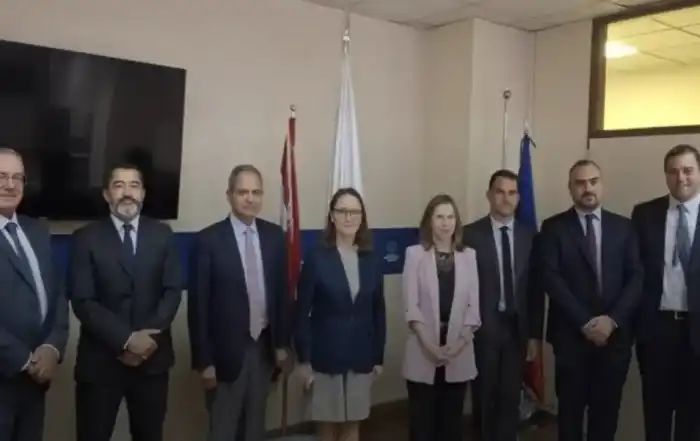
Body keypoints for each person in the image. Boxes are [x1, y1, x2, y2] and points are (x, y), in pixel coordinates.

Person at [68, 163, 182, 441]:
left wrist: (145, 342)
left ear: (143, 193)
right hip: (101, 362)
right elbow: (83, 300)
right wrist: (127, 339)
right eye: (118, 186)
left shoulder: (163, 234)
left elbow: (171, 291)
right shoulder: (85, 238)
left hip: (152, 361)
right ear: (106, 194)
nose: (127, 192)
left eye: (134, 185)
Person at [539, 159, 642, 441]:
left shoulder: (624, 227)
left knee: (605, 419)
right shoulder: (553, 227)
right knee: (569, 419)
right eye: (580, 183)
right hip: (571, 339)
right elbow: (551, 279)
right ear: (570, 188)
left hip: (614, 340)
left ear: (602, 184)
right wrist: (585, 322)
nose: (587, 188)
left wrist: (612, 321)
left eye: (593, 181)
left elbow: (636, 278)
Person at [188, 164, 290, 441]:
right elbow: (198, 307)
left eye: (256, 192)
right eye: (243, 192)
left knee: (254, 429)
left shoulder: (274, 237)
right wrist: (204, 362)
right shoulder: (208, 240)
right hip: (224, 356)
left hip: (264, 349)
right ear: (229, 195)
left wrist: (282, 344)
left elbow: (281, 294)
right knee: (223, 430)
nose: (250, 198)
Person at [295, 187, 386, 441]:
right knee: (327, 428)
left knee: (352, 427)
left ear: (362, 217)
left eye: (354, 212)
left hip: (361, 357)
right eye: (342, 211)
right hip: (325, 359)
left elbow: (378, 311)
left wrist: (378, 357)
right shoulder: (316, 258)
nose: (349, 217)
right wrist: (304, 361)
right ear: (332, 216)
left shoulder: (371, 259)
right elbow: (301, 313)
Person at [463, 170, 544, 441]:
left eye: (512, 193)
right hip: (482, 329)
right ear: (489, 195)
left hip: (517, 331)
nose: (506, 198)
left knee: (510, 398)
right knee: (485, 397)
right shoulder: (470, 235)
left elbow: (535, 289)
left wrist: (534, 335)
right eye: (500, 192)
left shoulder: (530, 236)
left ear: (519, 198)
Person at [632, 143, 700, 441]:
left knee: (692, 419)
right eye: (673, 172)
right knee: (656, 415)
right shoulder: (644, 214)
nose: (680, 178)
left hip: (697, 333)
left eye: (688, 170)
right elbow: (634, 273)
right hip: (656, 331)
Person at [0, 148, 68, 441]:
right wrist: (25, 361)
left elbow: (57, 295)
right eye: (1, 176)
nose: (10, 185)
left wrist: (52, 347)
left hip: (36, 383)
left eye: (17, 178)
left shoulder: (37, 231)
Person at [402, 193, 480, 441]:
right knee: (422, 426)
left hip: (458, 349)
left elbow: (473, 308)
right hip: (423, 348)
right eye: (439, 217)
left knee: (451, 426)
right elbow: (411, 306)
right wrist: (429, 345)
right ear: (429, 221)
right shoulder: (414, 254)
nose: (446, 223)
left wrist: (458, 345)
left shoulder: (469, 256)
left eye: (450, 217)